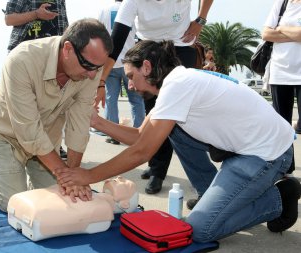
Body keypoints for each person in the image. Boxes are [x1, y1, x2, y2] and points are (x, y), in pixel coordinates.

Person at [57, 40, 300, 242]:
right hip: (247, 148)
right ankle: (212, 197)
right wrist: (98, 122)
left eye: (131, 76)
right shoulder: (176, 83)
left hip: (268, 154)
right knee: (173, 131)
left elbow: (142, 151)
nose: (129, 85)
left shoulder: (177, 85)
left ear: (148, 67)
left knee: (199, 230)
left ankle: (278, 198)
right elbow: (142, 136)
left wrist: (88, 176)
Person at [0, 18, 113, 212]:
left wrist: (72, 176)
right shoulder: (21, 60)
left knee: (60, 197)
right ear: (67, 49)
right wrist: (65, 175)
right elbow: (29, 129)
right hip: (6, 134)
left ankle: (27, 179)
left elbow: (79, 123)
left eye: (98, 68)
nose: (93, 75)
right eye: (89, 66)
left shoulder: (91, 66)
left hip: (47, 138)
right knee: (13, 201)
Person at [94, 0, 214, 195]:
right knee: (154, 114)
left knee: (183, 122)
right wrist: (101, 81)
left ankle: (204, 183)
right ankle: (157, 169)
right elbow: (116, 42)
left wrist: (201, 19)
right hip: (149, 47)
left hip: (180, 46)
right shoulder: (132, 2)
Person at [5, 0, 69, 158]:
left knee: (54, 103)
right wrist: (36, 14)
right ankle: (14, 142)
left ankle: (53, 145)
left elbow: (65, 26)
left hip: (53, 56)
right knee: (22, 103)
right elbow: (9, 19)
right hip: (24, 56)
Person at [98, 0, 145, 145]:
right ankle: (139, 133)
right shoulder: (132, 9)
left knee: (111, 98)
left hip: (110, 62)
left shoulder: (104, 10)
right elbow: (140, 33)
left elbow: (99, 33)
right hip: (129, 62)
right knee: (136, 99)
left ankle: (113, 135)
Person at [262, 0, 301, 174]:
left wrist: (280, 29)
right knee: (281, 125)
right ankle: (286, 168)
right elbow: (265, 34)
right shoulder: (282, 3)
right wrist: (293, 33)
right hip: (280, 72)